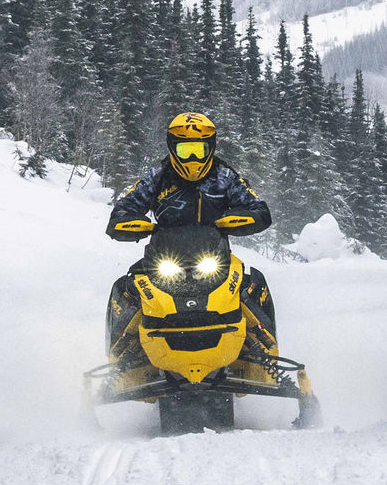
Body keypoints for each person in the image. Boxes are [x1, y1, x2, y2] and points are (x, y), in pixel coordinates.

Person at [105, 112, 275, 332]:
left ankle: (265, 353)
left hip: (216, 258)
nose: (193, 158)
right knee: (126, 290)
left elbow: (258, 207)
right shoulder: (157, 176)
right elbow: (124, 207)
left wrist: (242, 219)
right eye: (186, 151)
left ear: (210, 148)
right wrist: (129, 222)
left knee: (252, 288)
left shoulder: (224, 176)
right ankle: (123, 356)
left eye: (199, 150)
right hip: (163, 260)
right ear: (173, 148)